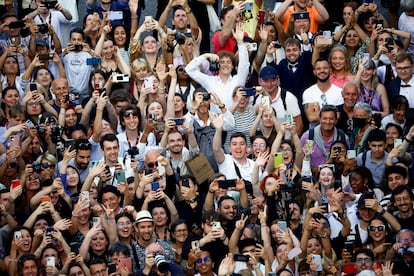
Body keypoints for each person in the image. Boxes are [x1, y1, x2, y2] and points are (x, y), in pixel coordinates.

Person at [186, 23, 249, 111]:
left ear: (232, 66)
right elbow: (189, 70)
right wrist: (205, 56)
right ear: (217, 65)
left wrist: (240, 43)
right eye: (222, 62)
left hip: (235, 121)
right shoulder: (210, 81)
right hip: (215, 121)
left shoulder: (238, 80)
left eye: (228, 62)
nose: (225, 65)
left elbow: (244, 66)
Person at [300, 105, 348, 173]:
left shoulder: (343, 138)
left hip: (337, 178)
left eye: (331, 119)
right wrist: (329, 161)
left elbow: (349, 165)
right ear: (319, 119)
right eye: (324, 118)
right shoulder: (308, 137)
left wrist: (344, 161)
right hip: (314, 179)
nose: (328, 122)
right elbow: (303, 164)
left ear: (336, 120)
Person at [255, 66, 303, 134]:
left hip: (285, 142)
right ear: (260, 81)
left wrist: (291, 143)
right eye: (266, 80)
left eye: (273, 80)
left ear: (278, 80)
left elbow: (298, 124)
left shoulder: (288, 97)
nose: (269, 84)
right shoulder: (255, 98)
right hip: (262, 143)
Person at [302, 58, 344, 126]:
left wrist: (318, 112)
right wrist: (332, 114)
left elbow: (338, 116)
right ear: (314, 72)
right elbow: (311, 117)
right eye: (318, 69)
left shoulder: (339, 92)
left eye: (325, 68)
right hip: (314, 133)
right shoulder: (308, 92)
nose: (322, 71)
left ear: (330, 70)